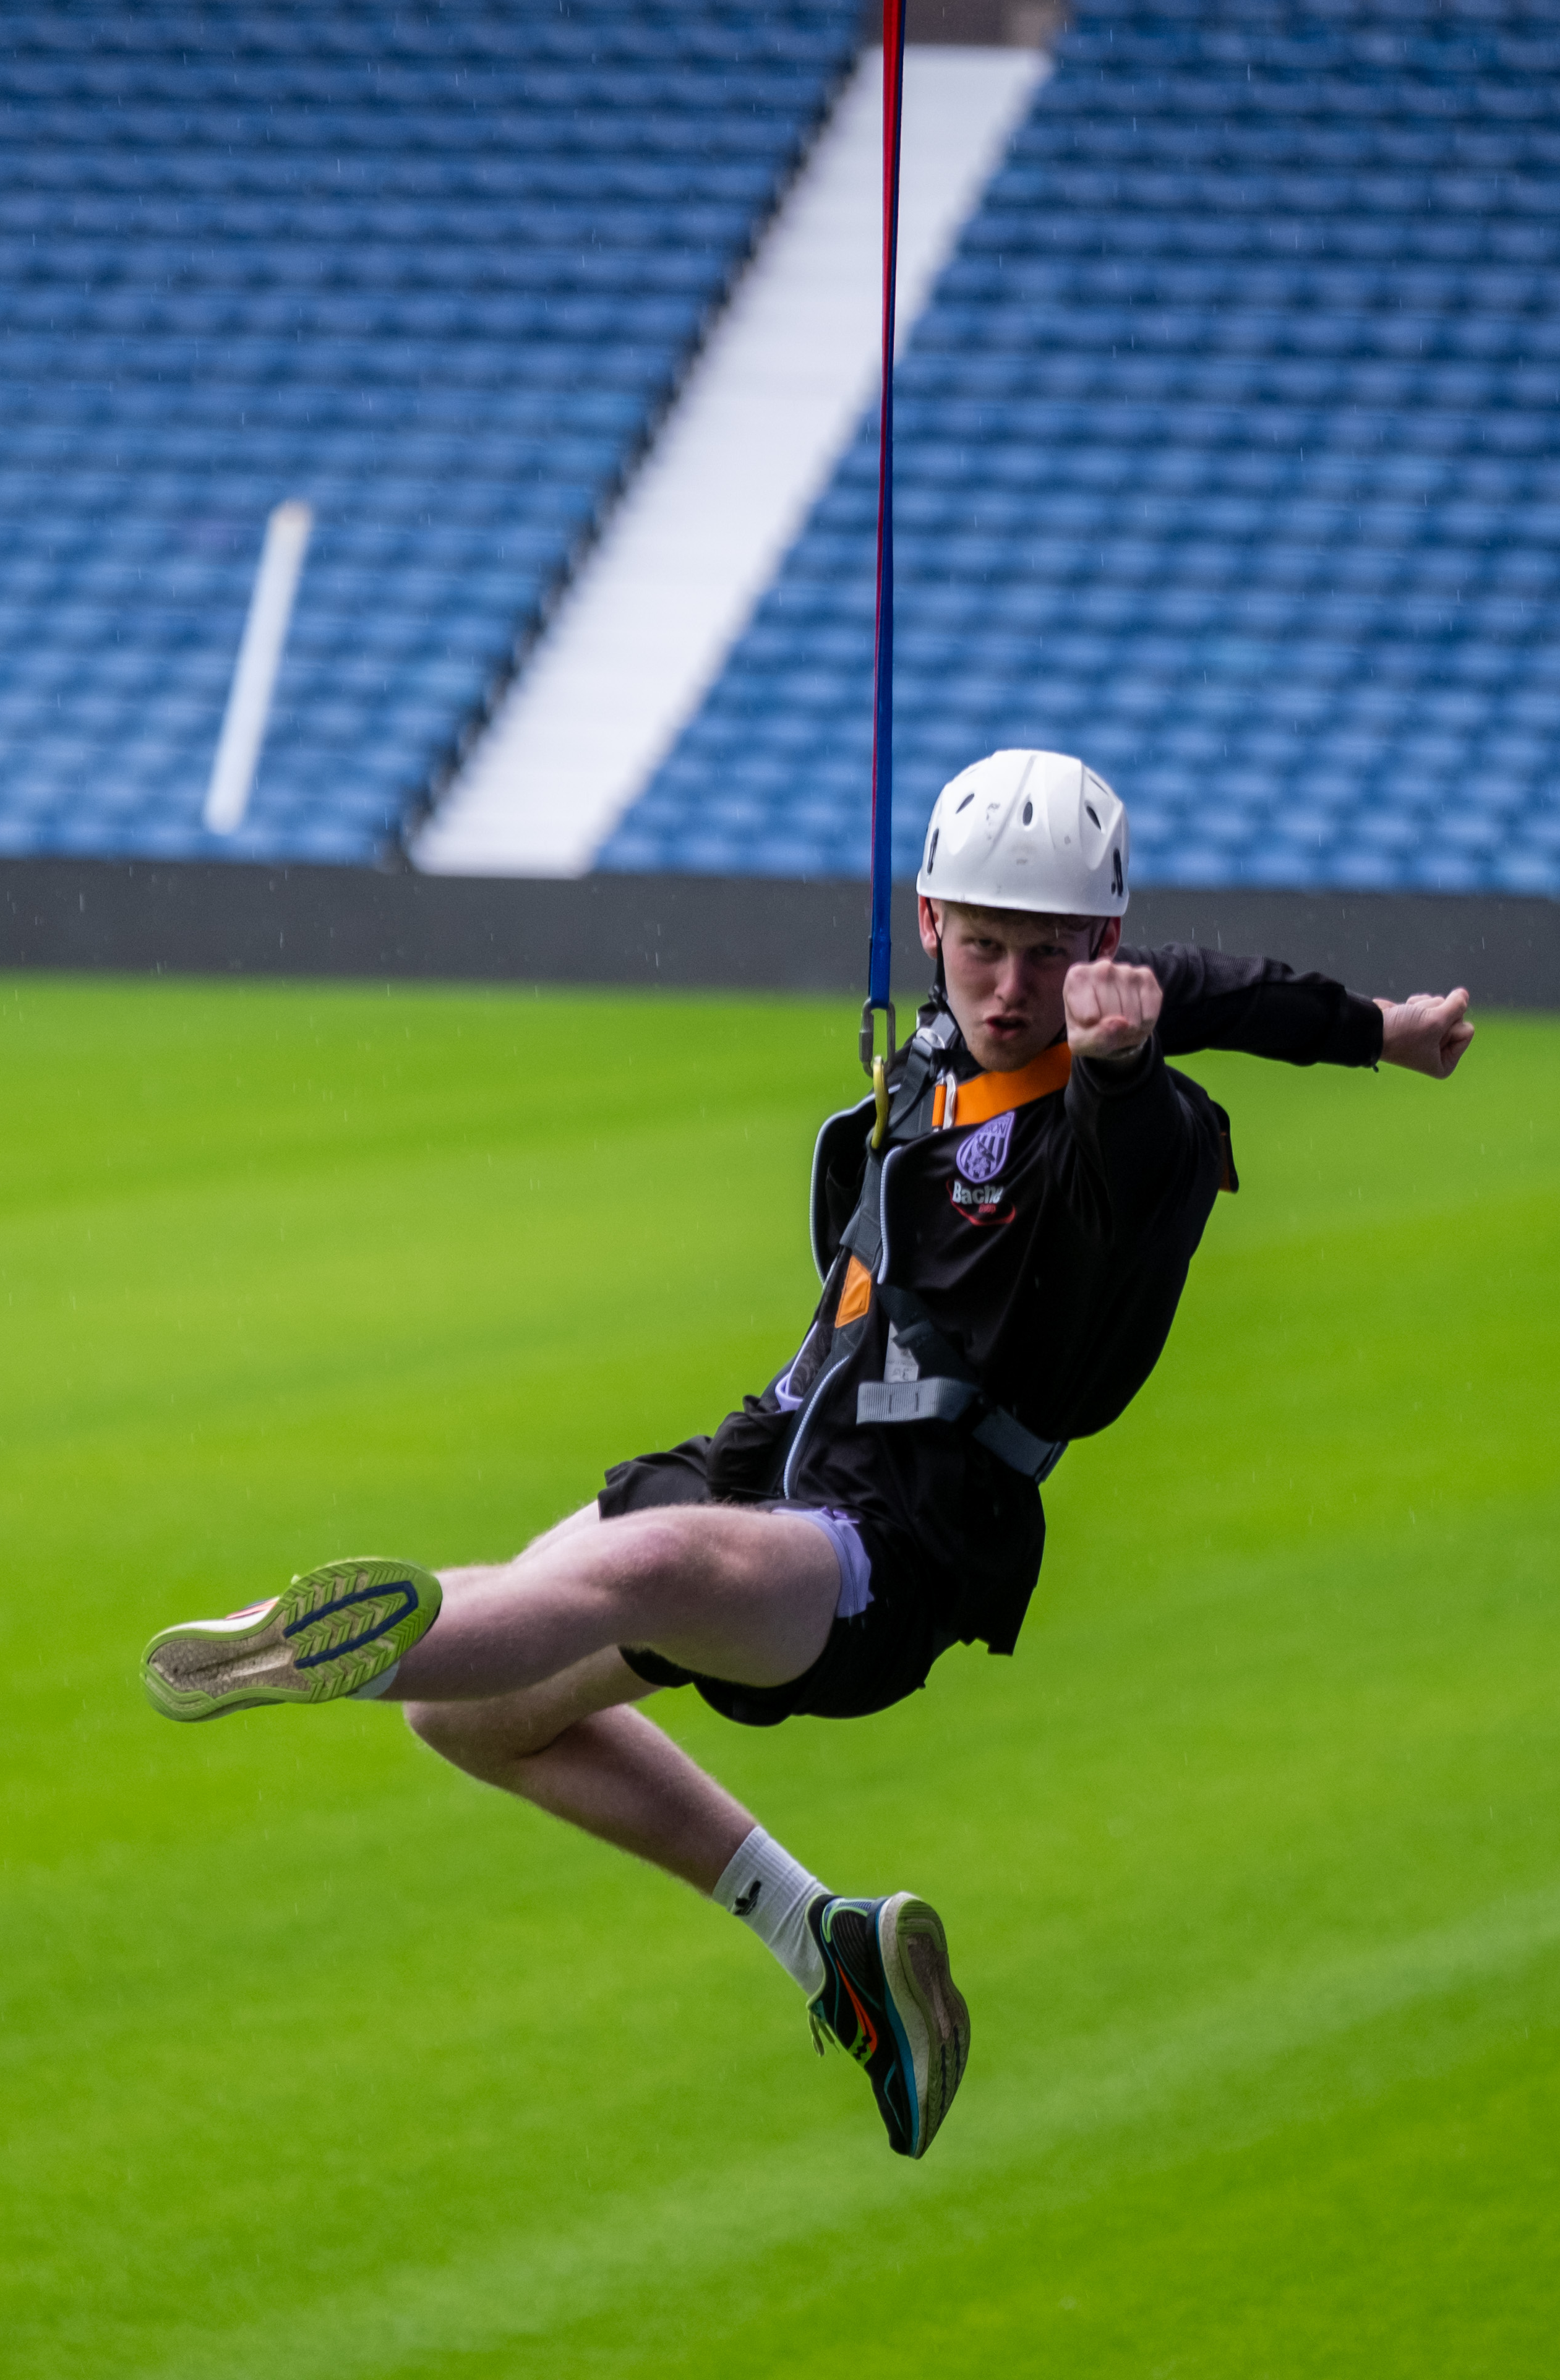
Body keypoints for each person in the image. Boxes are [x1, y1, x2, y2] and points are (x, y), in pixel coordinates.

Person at [140, 749, 1475, 2159]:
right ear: (927, 923)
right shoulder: (949, 1050)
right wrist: (1378, 1027)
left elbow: (1142, 1082)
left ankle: (301, 1647)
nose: (1010, 987)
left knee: (640, 1571)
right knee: (471, 1715)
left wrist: (1131, 1061)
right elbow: (1223, 979)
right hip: (769, 1460)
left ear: (1101, 956)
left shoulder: (1131, 1133)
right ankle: (823, 1940)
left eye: (1044, 956)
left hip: (892, 1550)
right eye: (980, 945)